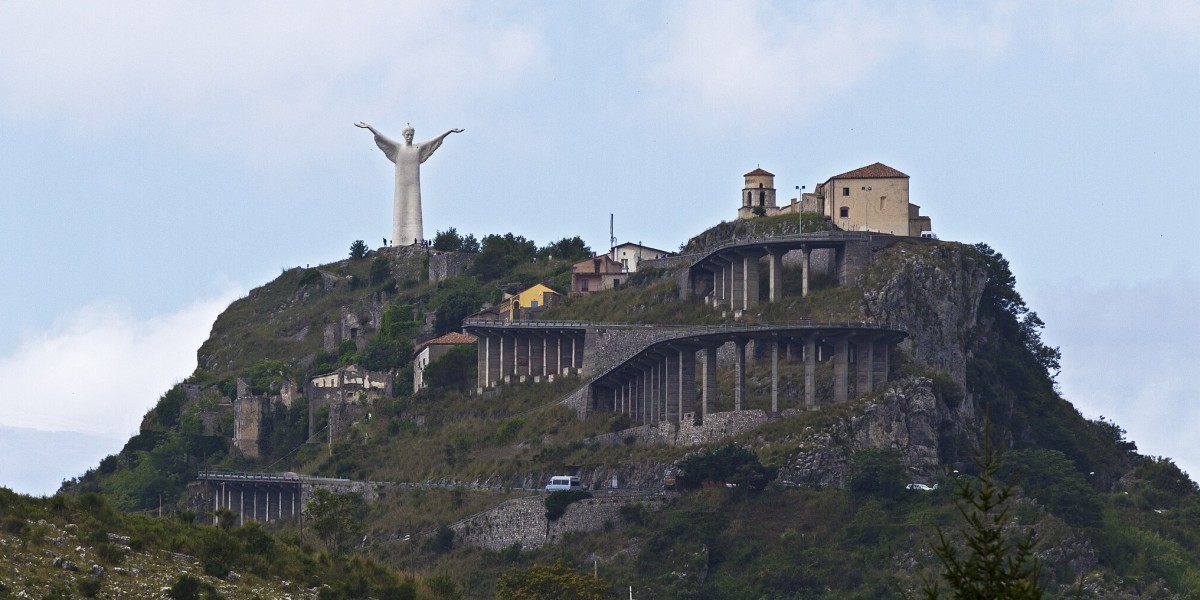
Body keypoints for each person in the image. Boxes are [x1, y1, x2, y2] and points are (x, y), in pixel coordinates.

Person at [355, 122, 463, 247]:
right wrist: (369, 127)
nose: (410, 137)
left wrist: (449, 131)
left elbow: (433, 141)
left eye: (411, 135)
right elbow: (382, 138)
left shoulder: (418, 148)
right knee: (399, 210)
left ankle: (416, 239)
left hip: (414, 185)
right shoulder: (398, 148)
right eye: (407, 134)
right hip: (401, 185)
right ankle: (398, 241)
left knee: (415, 208)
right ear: (403, 135)